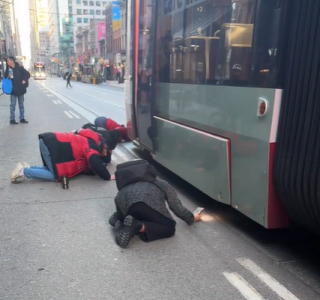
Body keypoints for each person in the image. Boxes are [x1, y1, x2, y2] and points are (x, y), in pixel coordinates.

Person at [109, 163, 202, 248]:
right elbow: (176, 207)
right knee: (169, 228)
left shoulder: (122, 190)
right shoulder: (161, 183)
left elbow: (119, 205)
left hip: (126, 208)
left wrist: (120, 217)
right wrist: (191, 218)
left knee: (125, 215)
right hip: (146, 204)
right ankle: (138, 226)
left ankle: (118, 222)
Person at [10, 129, 115, 183]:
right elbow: (94, 160)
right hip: (51, 145)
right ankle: (24, 172)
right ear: (103, 146)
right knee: (54, 175)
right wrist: (107, 176)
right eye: (106, 151)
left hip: (49, 141)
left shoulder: (90, 138)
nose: (105, 154)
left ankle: (29, 168)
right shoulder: (92, 147)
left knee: (52, 169)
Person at [5, 56, 30, 125]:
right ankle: (12, 119)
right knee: (12, 104)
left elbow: (27, 74)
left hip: (20, 89)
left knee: (21, 104)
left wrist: (24, 80)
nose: (7, 62)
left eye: (8, 61)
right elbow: (4, 77)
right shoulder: (8, 69)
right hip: (13, 90)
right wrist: (8, 76)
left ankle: (22, 118)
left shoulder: (20, 68)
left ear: (12, 61)